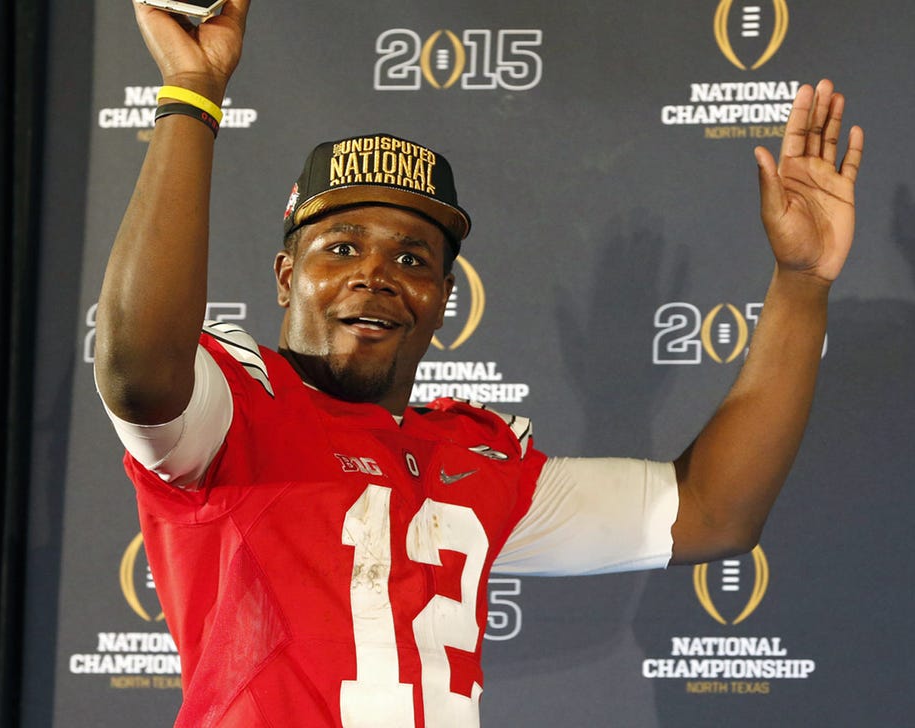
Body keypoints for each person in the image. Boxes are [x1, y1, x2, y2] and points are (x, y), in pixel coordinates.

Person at [94, 1, 865, 725]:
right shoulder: (233, 411)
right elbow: (139, 371)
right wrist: (192, 95)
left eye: (412, 257)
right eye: (340, 248)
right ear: (287, 276)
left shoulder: (474, 456)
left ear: (440, 296)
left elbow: (712, 513)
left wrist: (802, 283)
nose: (375, 274)